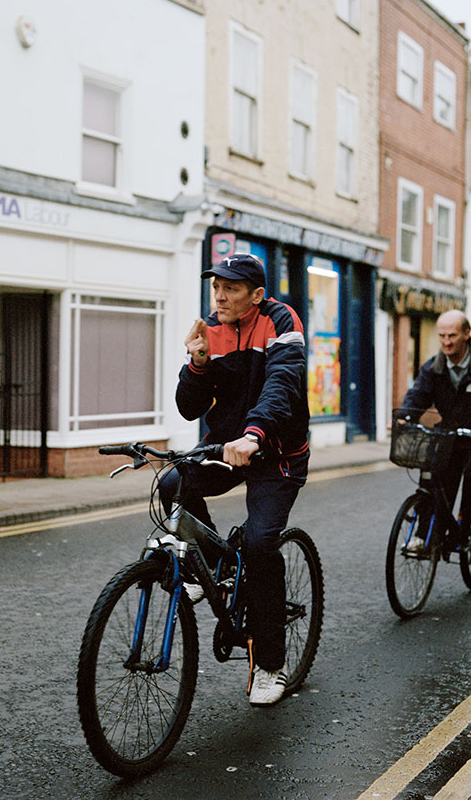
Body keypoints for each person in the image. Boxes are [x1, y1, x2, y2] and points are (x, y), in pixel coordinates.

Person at [160, 252, 310, 706]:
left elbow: (282, 383)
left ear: (257, 295)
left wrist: (254, 433)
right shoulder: (212, 327)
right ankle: (214, 564)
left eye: (230, 288)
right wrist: (199, 363)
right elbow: (190, 407)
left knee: (262, 544)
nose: (219, 296)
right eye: (215, 287)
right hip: (227, 446)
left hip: (276, 450)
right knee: (172, 484)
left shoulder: (280, 320)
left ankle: (270, 665)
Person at [401, 309, 471, 556]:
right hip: (451, 436)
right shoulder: (434, 367)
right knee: (432, 480)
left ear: (466, 334)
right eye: (442, 336)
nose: (446, 342)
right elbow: (417, 396)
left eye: (452, 335)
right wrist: (403, 417)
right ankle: (427, 535)